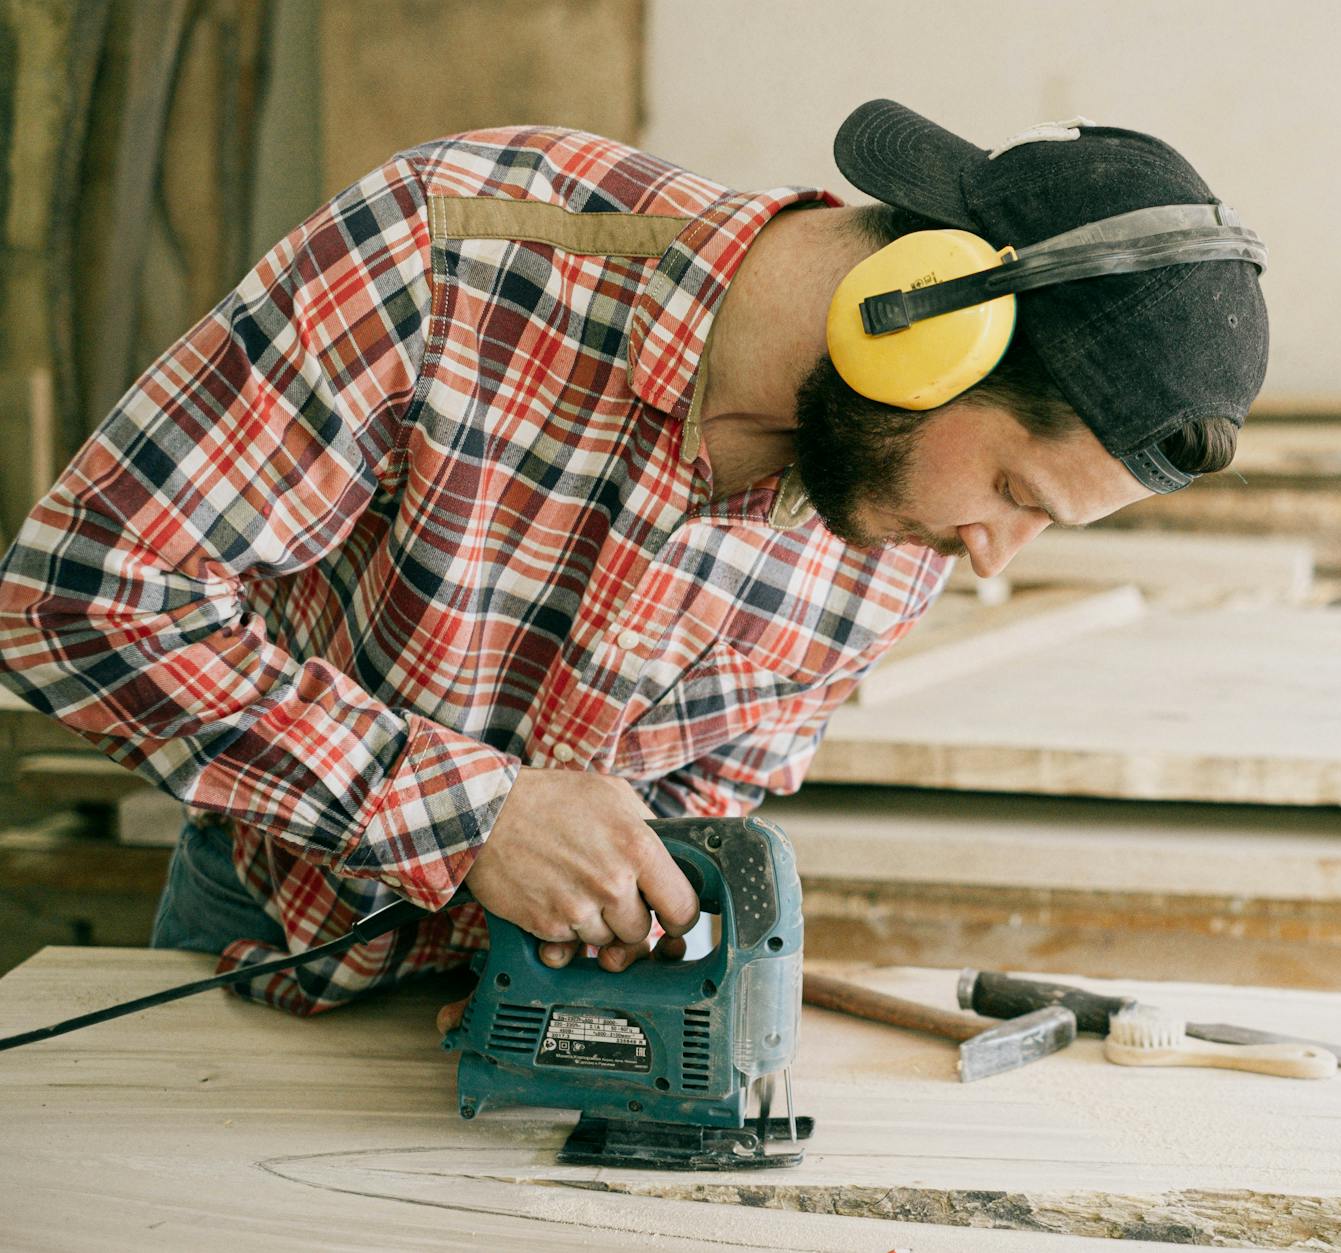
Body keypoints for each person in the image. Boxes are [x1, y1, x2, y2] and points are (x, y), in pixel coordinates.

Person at [0, 100, 1268, 1017]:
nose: (992, 558)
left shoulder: (890, 503)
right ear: (917, 331)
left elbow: (710, 793)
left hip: (519, 1010)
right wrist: (471, 817)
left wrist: (618, 941)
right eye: (1010, 490)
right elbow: (79, 595)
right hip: (261, 938)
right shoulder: (457, 253)